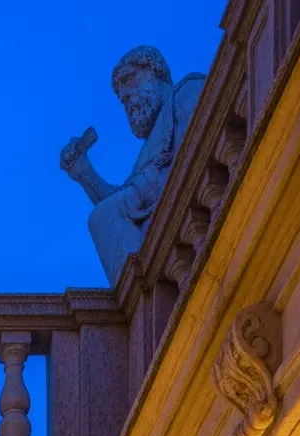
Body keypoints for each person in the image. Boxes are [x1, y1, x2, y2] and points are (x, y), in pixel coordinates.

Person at [59, 47, 205, 284]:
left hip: (191, 224)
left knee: (102, 215)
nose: (125, 95)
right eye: (120, 94)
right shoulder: (148, 148)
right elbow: (128, 201)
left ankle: (142, 296)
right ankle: (138, 302)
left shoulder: (188, 93)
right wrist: (84, 172)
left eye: (129, 79)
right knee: (100, 217)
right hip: (171, 244)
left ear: (155, 71)